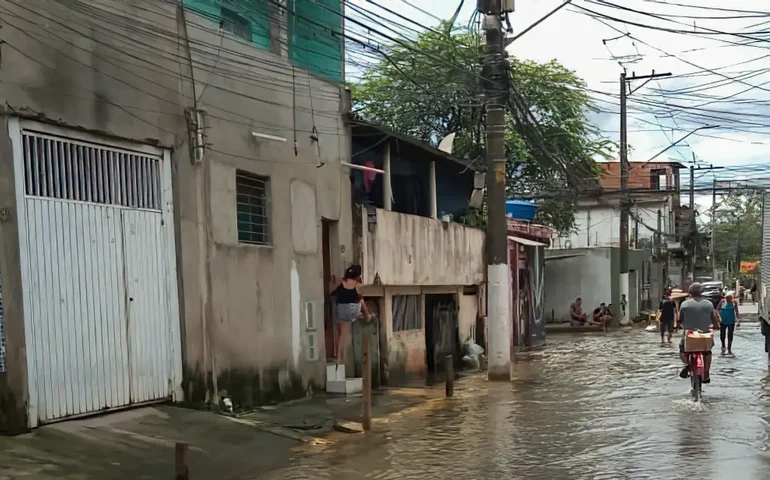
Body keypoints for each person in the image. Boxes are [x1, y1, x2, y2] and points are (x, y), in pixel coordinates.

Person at [329, 265, 370, 375]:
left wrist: (332, 283)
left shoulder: (342, 282)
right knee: (343, 335)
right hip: (350, 311)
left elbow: (333, 292)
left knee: (340, 335)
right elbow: (360, 297)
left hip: (339, 309)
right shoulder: (357, 284)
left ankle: (339, 357)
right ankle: (339, 360)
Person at [678, 283, 720, 383]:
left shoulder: (684, 304)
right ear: (702, 292)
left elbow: (679, 320)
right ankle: (706, 373)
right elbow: (714, 320)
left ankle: (686, 364)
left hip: (690, 335)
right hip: (705, 336)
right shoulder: (709, 304)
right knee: (708, 351)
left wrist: (678, 325)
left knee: (682, 350)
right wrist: (716, 326)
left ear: (690, 293)